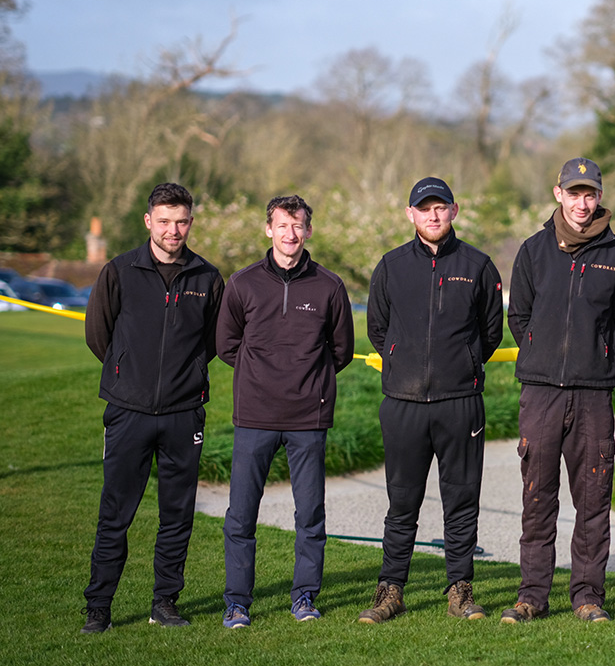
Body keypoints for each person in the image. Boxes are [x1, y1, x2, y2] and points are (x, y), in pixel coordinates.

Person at [81, 182, 225, 633]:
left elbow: (214, 341)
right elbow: (98, 335)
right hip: (129, 412)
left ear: (190, 223)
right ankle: (99, 606)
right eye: (164, 221)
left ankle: (165, 602)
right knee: (115, 513)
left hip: (184, 414)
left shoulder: (207, 277)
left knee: (177, 514)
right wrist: (128, 375)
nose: (173, 230)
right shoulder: (119, 271)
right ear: (149, 222)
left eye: (181, 221)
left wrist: (185, 376)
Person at [358, 177, 504, 623]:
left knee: (461, 499)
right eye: (425, 209)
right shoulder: (391, 265)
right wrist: (402, 363)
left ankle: (460, 589)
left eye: (441, 208)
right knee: (402, 500)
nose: (434, 216)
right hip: (402, 402)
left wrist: (465, 362)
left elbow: (491, 331)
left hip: (460, 402)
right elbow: (378, 330)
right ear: (411, 215)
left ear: (455, 211)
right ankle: (391, 590)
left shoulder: (478, 266)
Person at [501, 157, 615, 623]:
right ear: (558, 193)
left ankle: (587, 596)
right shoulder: (533, 250)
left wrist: (596, 355)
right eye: (574, 193)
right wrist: (541, 354)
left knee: (594, 500)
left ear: (600, 197)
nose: (582, 203)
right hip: (540, 393)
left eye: (590, 194)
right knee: (537, 497)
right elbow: (518, 316)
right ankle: (532, 596)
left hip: (594, 394)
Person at [216, 195, 355, 629]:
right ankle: (237, 602)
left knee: (310, 514)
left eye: (297, 226)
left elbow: (342, 350)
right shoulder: (242, 284)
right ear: (268, 229)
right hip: (254, 417)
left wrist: (304, 379)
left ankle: (305, 596)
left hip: (307, 420)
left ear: (308, 231)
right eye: (282, 225)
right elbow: (226, 345)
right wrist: (265, 376)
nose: (290, 234)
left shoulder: (329, 286)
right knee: (241, 514)